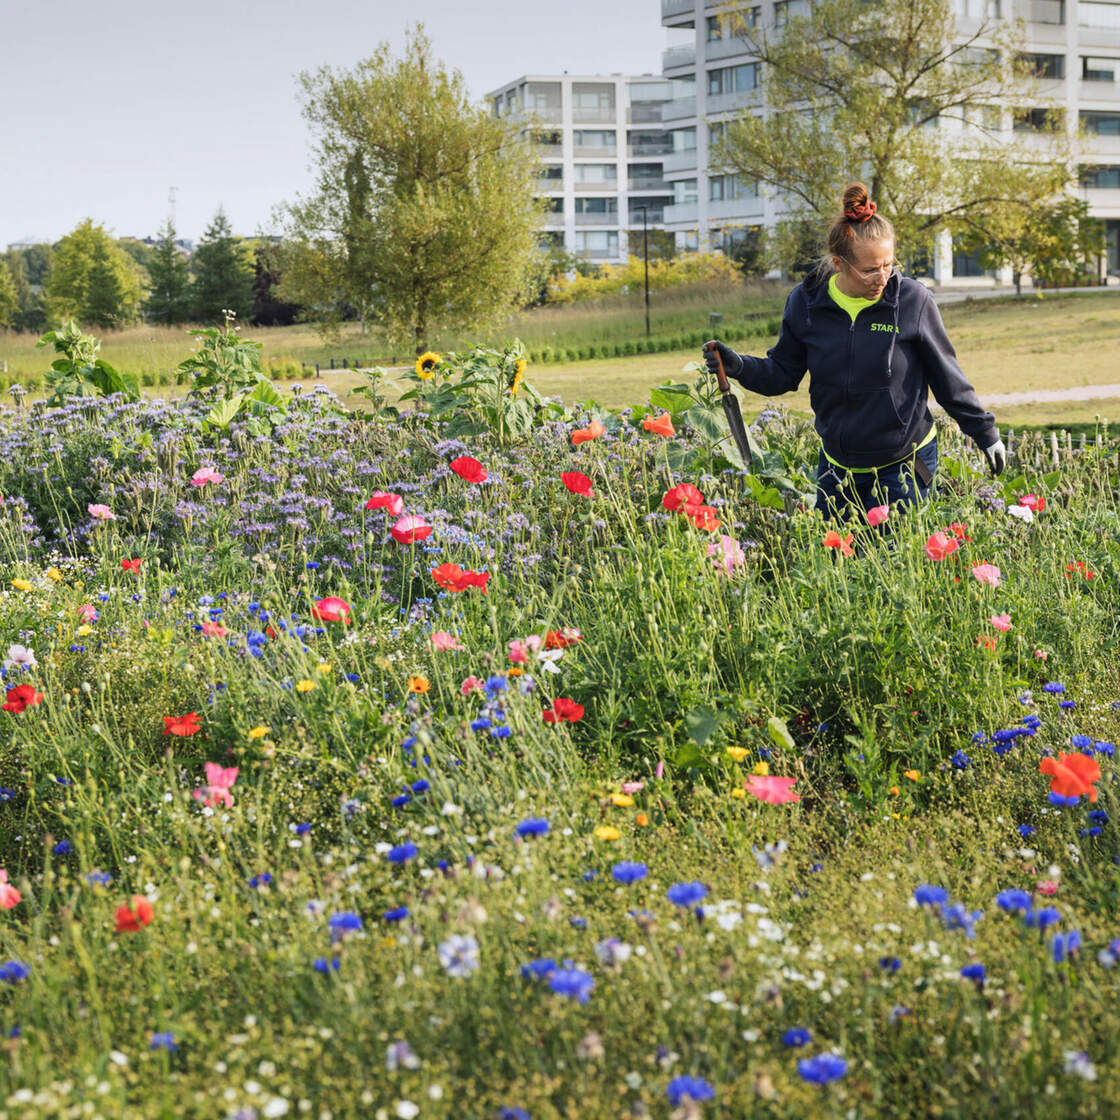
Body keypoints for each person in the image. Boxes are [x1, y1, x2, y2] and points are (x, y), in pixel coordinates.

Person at [704, 182, 1005, 518]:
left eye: (888, 265)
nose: (882, 277)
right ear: (838, 263)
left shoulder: (912, 301)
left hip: (904, 464)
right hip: (838, 468)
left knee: (896, 562)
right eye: (870, 270)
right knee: (839, 563)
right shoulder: (805, 303)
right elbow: (782, 375)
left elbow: (948, 378)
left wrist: (986, 434)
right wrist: (740, 367)